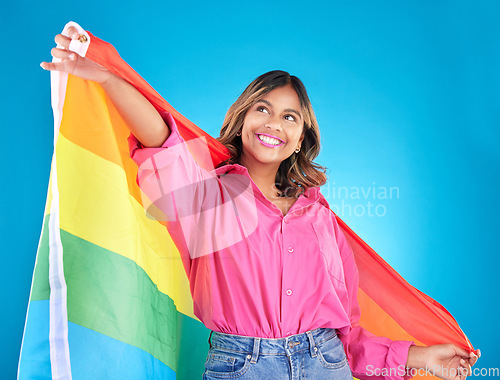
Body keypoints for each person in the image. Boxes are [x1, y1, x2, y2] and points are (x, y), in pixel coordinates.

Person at [41, 26, 480, 380]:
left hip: (325, 365)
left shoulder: (320, 220)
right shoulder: (210, 198)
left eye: (290, 117)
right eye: (263, 110)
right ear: (243, 118)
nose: (275, 123)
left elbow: (347, 338)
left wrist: (422, 356)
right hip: (239, 366)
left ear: (300, 140)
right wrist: (106, 77)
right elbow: (159, 136)